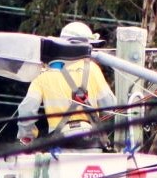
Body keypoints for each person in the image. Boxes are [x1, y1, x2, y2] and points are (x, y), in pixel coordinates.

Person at [17, 22, 116, 150]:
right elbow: (110, 106)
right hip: (90, 141)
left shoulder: (44, 72)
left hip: (58, 142)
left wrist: (27, 136)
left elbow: (27, 111)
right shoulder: (93, 69)